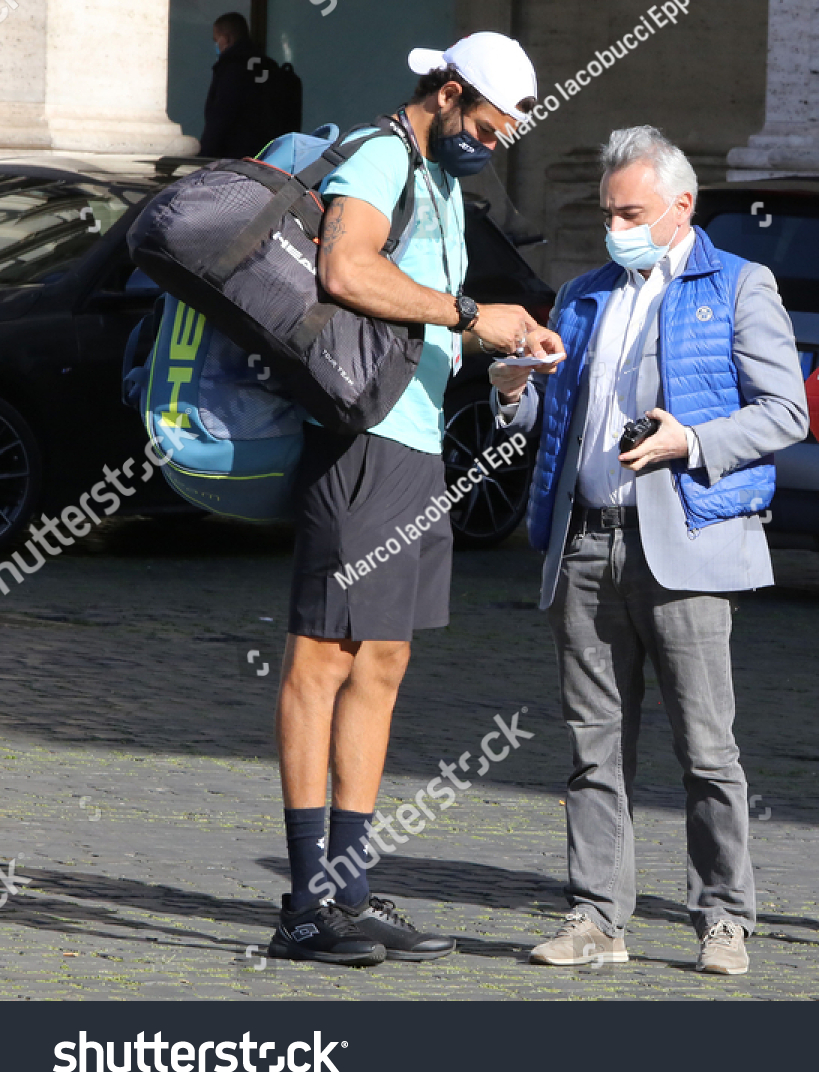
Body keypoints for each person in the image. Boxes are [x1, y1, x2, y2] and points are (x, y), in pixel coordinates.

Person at [267, 32, 564, 967]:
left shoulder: (440, 182)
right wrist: (475, 314)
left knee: (383, 660)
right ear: (447, 91)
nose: (492, 140)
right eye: (485, 122)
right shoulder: (383, 153)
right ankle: (306, 905)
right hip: (360, 441)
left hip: (416, 441)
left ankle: (350, 888)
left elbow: (419, 305)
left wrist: (499, 355)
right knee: (323, 657)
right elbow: (346, 270)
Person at [490, 125, 808, 976]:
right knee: (593, 747)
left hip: (688, 544)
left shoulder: (739, 284)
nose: (615, 226)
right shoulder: (584, 295)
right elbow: (547, 427)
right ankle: (596, 917)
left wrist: (689, 441)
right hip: (587, 543)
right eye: (606, 212)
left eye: (631, 211)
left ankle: (726, 918)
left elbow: (787, 412)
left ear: (680, 207)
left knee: (707, 748)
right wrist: (514, 392)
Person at [201, 12, 266, 159]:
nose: (216, 45)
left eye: (216, 39)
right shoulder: (266, 66)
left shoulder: (232, 67)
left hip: (234, 156)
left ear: (227, 39)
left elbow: (222, 114)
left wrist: (205, 154)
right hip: (268, 155)